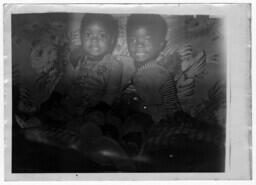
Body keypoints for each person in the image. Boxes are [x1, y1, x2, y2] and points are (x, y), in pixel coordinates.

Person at [122, 14, 206, 123]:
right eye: (132, 39)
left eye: (147, 39)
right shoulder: (144, 70)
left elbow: (151, 109)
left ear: (161, 45)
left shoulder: (151, 72)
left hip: (161, 122)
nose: (139, 45)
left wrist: (132, 101)